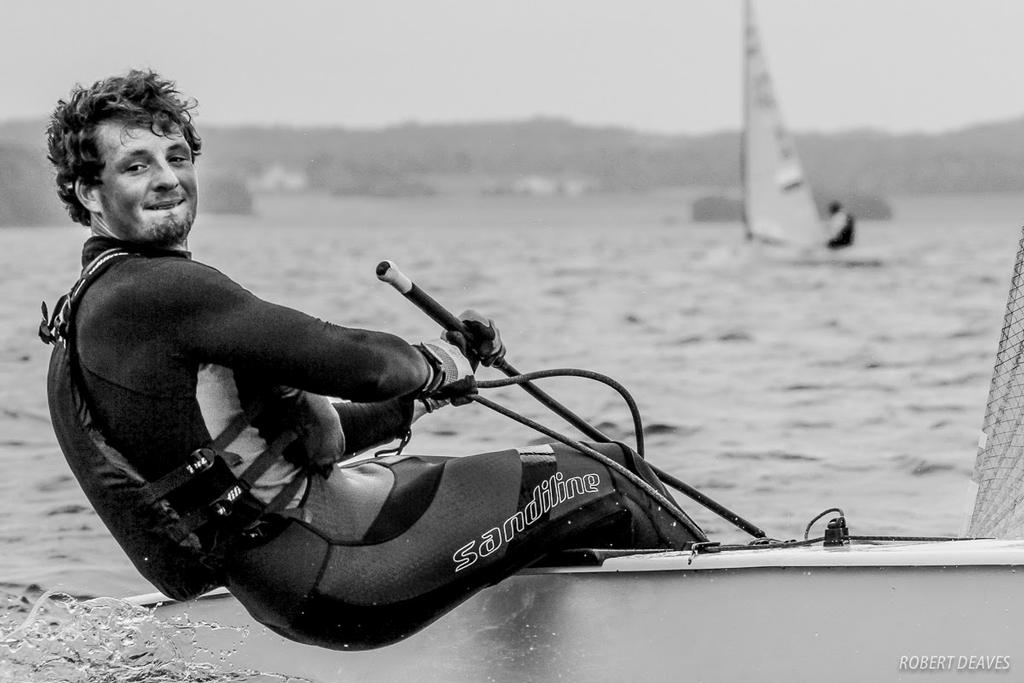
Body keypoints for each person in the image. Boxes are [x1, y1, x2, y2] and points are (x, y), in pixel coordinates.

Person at [40, 70, 705, 650]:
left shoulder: (93, 307)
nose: (166, 178)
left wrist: (427, 391)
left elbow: (307, 444)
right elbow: (362, 363)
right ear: (88, 192)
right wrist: (430, 360)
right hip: (335, 573)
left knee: (538, 488)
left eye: (176, 156)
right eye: (135, 165)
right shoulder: (157, 291)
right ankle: (720, 619)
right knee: (611, 474)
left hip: (298, 567)